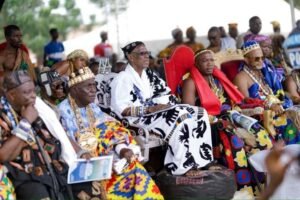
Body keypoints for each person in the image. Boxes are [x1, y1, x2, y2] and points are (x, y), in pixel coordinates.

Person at [57, 66, 164, 200]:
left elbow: (110, 129)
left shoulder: (93, 107)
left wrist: (121, 149)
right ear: (74, 90)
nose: (93, 90)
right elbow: (66, 143)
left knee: (135, 168)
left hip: (105, 157)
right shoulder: (62, 111)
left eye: (94, 85)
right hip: (82, 164)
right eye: (88, 86)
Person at [110, 41, 214, 176]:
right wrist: (148, 110)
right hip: (139, 118)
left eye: (147, 53)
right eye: (142, 54)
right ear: (130, 57)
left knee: (198, 112)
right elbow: (121, 109)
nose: (147, 56)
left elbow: (165, 94)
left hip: (158, 111)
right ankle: (182, 166)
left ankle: (201, 161)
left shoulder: (150, 75)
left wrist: (166, 105)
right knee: (180, 117)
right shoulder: (122, 78)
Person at [0, 70, 105, 199]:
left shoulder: (38, 108)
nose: (33, 96)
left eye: (33, 90)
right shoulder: (4, 115)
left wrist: (80, 152)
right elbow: (3, 155)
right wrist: (26, 122)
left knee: (92, 184)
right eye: (27, 92)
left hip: (56, 167)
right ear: (11, 95)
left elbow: (60, 133)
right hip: (27, 176)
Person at [181, 48, 273, 196]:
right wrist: (217, 120)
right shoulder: (190, 82)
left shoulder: (217, 79)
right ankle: (245, 191)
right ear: (196, 63)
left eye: (212, 60)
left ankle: (264, 185)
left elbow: (230, 102)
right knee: (236, 144)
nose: (210, 64)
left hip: (229, 116)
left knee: (262, 136)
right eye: (205, 61)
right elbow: (190, 112)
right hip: (210, 123)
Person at [233, 40, 300, 144]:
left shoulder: (264, 73)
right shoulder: (241, 78)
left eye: (262, 58)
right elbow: (245, 103)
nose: (261, 61)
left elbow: (276, 93)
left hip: (279, 108)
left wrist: (278, 104)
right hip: (262, 115)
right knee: (291, 122)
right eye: (256, 59)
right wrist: (269, 105)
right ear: (246, 60)